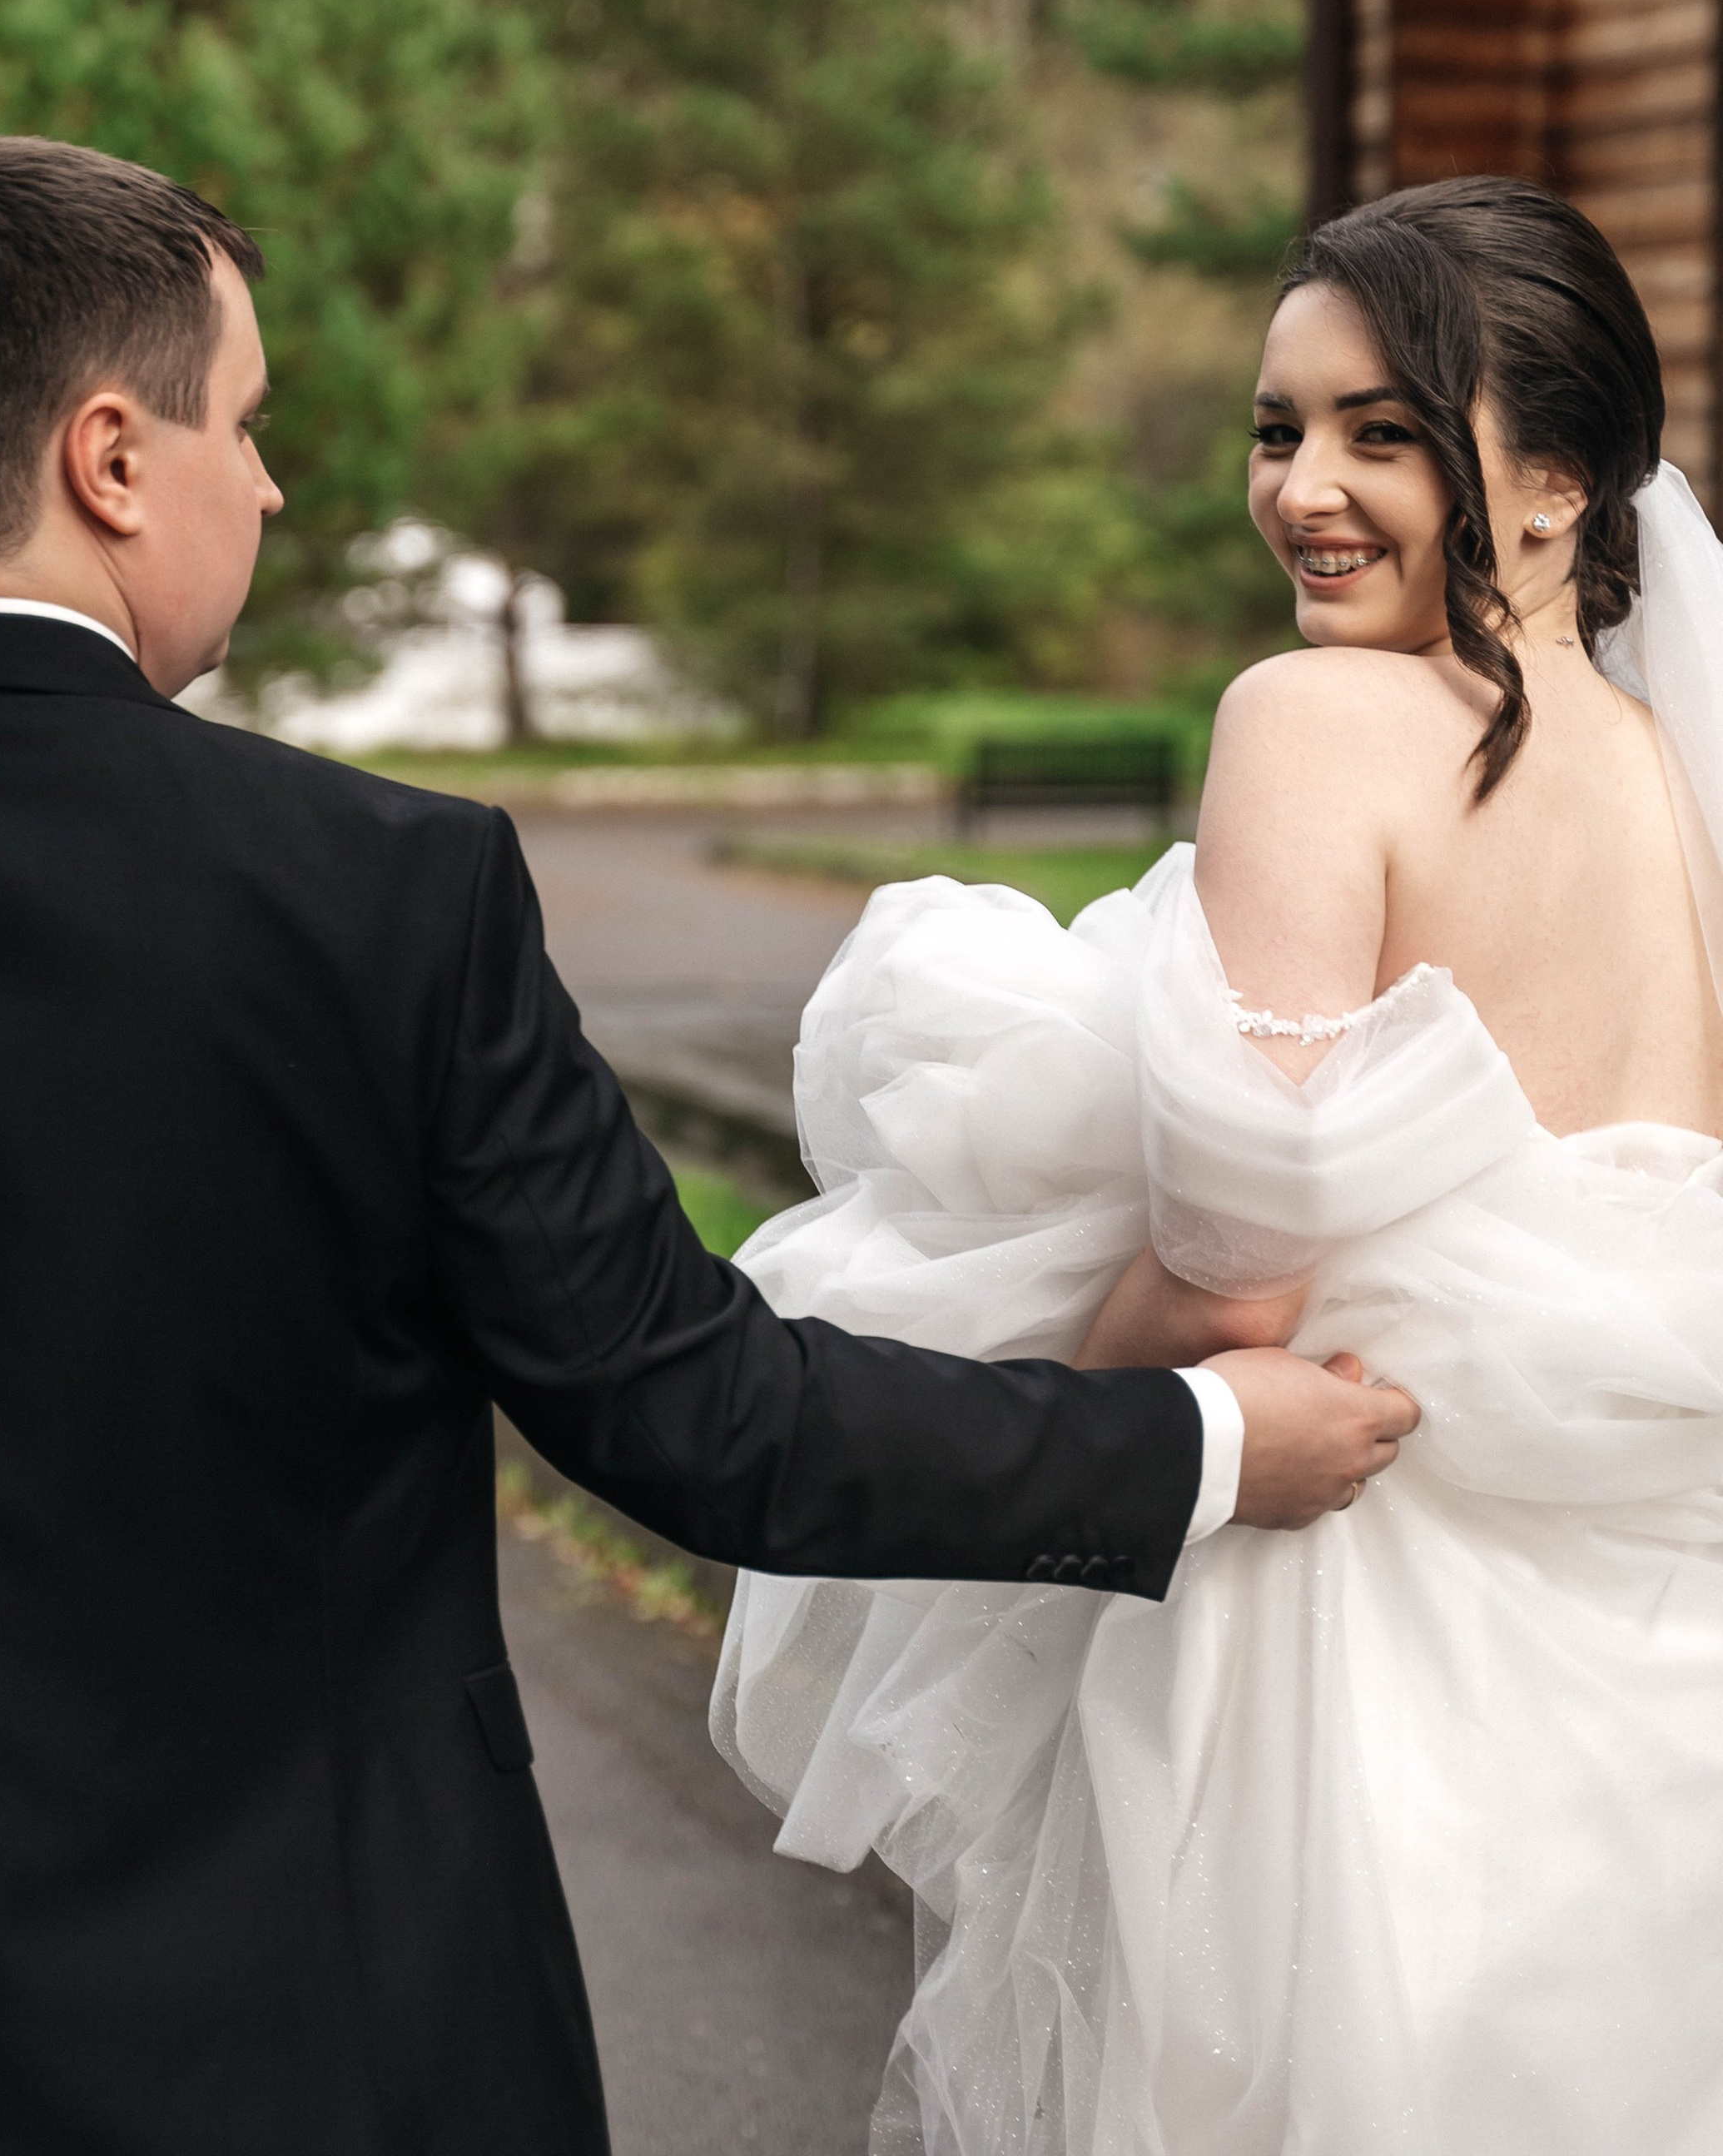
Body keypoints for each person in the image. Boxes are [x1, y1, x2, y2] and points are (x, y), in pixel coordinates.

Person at [0, 134, 1398, 2154]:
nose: (267, 484)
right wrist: (1210, 1443)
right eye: (248, 422)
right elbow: (702, 1416)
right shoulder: (380, 894)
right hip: (310, 2043)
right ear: (111, 457)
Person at [715, 173, 1723, 2156]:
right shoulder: (1669, 767)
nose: (1303, 488)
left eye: (1381, 429)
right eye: (1278, 428)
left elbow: (1234, 1271)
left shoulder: (1309, 722)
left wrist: (1015, 1414)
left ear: (1555, 481)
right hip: (1653, 1652)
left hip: (1356, 1612)